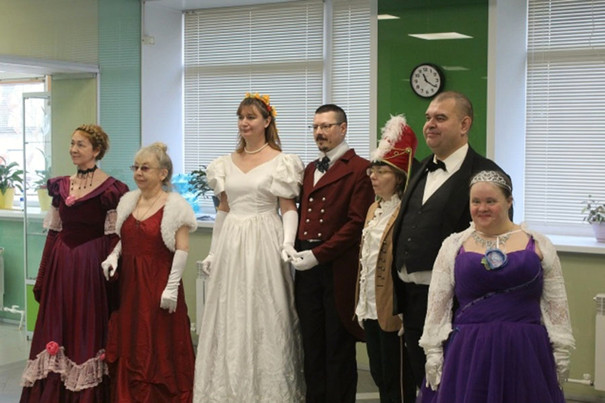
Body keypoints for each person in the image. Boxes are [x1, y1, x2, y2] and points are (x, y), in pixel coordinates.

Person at [418, 170, 574, 402]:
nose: (482, 208)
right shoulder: (453, 245)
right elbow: (438, 303)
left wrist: (561, 350)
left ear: (509, 202)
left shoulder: (539, 243)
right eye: (476, 201)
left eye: (491, 201)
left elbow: (555, 300)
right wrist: (433, 350)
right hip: (470, 350)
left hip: (526, 350)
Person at [391, 91, 508, 401]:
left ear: (464, 125)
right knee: (424, 384)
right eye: (428, 117)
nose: (430, 124)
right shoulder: (419, 168)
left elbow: (497, 244)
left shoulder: (487, 174)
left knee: (459, 387)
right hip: (412, 302)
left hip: (459, 306)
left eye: (440, 118)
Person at [193, 93, 305, 402]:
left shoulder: (281, 162)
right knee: (230, 310)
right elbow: (224, 209)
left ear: (267, 121)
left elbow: (288, 207)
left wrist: (287, 242)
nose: (244, 122)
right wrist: (214, 250)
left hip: (265, 238)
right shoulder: (224, 164)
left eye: (251, 117)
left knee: (265, 310)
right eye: (241, 117)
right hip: (232, 240)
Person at [20, 124, 129, 402]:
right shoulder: (60, 186)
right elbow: (53, 231)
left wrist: (112, 276)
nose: (73, 149)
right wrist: (44, 272)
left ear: (97, 150)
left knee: (84, 323)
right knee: (58, 322)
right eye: (72, 143)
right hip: (61, 263)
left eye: (80, 144)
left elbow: (114, 237)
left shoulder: (111, 189)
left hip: (90, 264)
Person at [289, 104, 375, 403]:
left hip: (338, 267)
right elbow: (301, 213)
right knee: (311, 344)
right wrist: (295, 247)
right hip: (306, 266)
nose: (319, 132)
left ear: (343, 128)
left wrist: (319, 254)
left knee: (337, 346)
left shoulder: (361, 168)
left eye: (326, 126)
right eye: (315, 127)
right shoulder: (310, 168)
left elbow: (356, 224)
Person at [101, 142, 197, 402]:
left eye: (145, 168)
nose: (138, 173)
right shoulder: (128, 201)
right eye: (135, 167)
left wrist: (171, 287)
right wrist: (113, 256)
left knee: (158, 340)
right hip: (130, 285)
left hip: (158, 284)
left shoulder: (176, 206)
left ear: (163, 173)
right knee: (133, 339)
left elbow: (182, 249)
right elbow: (125, 237)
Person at [355, 115, 418, 403]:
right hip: (370, 305)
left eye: (382, 172)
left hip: (394, 308)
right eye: (373, 170)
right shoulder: (374, 209)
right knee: (379, 374)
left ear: (400, 177)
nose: (373, 177)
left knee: (398, 380)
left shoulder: (406, 212)